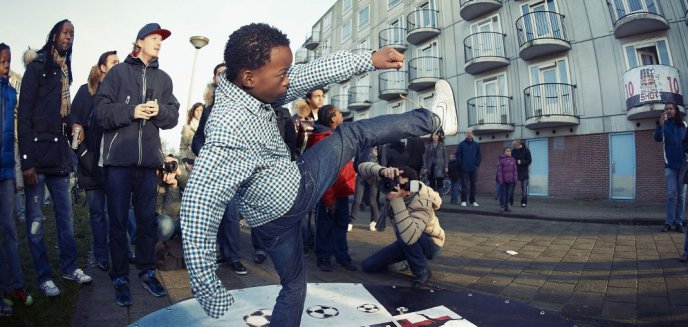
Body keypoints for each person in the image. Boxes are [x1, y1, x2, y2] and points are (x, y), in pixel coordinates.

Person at [180, 23, 456, 326]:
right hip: (294, 191)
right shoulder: (227, 127)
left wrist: (369, 59)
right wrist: (209, 289)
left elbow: (308, 74)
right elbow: (198, 207)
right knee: (351, 133)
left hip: (268, 224)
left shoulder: (252, 88)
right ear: (249, 78)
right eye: (281, 76)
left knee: (294, 285)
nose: (288, 83)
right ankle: (435, 119)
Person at [95, 23, 180, 306]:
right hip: (118, 163)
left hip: (147, 165)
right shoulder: (118, 73)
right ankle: (119, 276)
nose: (159, 43)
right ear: (140, 41)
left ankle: (146, 271)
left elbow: (173, 116)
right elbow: (100, 113)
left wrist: (161, 111)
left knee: (146, 222)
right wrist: (131, 111)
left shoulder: (165, 79)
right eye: (155, 38)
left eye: (161, 40)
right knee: (118, 222)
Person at [18, 19, 93, 298]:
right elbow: (24, 116)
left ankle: (69, 267)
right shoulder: (36, 68)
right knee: (36, 222)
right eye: (65, 32)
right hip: (37, 157)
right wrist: (26, 161)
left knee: (66, 219)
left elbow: (64, 112)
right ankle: (43, 276)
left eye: (73, 33)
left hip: (60, 156)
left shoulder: (64, 72)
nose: (69, 37)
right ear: (53, 35)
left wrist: (76, 124)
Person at [190, 62, 248, 276]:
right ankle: (220, 254)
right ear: (214, 79)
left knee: (232, 214)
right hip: (212, 169)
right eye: (219, 74)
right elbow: (197, 139)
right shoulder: (208, 110)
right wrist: (203, 153)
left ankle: (233, 257)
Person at [69, 50, 119, 272]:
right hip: (90, 164)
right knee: (98, 214)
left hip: (113, 165)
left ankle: (122, 251)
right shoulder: (85, 91)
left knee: (117, 213)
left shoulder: (119, 92)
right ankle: (101, 255)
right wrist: (80, 150)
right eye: (113, 62)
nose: (118, 65)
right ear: (102, 68)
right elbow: (74, 119)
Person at [360, 164, 444, 286]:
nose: (395, 187)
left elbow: (411, 236)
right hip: (405, 240)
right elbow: (361, 169)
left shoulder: (422, 200)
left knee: (403, 231)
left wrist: (396, 200)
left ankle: (422, 271)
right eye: (394, 183)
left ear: (411, 188)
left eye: (401, 185)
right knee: (369, 265)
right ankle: (407, 259)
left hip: (430, 242)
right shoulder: (392, 186)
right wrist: (383, 171)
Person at [1, 43, 33, 314]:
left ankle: (17, 285)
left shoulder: (12, 92)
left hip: (6, 171)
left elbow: (16, 130)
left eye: (8, 62)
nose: (5, 67)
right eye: (1, 62)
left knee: (11, 230)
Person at [307, 105, 357, 272]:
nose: (342, 116)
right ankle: (324, 257)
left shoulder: (334, 135)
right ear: (333, 118)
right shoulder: (323, 138)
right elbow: (323, 172)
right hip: (329, 192)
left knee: (340, 226)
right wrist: (328, 198)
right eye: (339, 114)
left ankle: (341, 256)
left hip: (341, 190)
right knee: (325, 226)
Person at [654, 102, 686, 233]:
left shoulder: (684, 125)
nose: (668, 111)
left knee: (682, 196)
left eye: (670, 108)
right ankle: (668, 222)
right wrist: (660, 124)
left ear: (676, 110)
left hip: (684, 165)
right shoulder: (664, 125)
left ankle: (678, 222)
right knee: (671, 195)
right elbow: (657, 138)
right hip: (670, 166)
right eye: (666, 109)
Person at [350, 146, 380, 232]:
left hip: (374, 174)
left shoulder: (379, 144)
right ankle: (350, 222)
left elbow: (383, 160)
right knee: (357, 200)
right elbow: (356, 160)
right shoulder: (361, 145)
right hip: (361, 174)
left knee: (372, 201)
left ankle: (373, 222)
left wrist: (380, 173)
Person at [455, 128, 481, 207]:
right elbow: (458, 155)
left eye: (470, 133)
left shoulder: (476, 145)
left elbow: (479, 156)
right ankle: (463, 200)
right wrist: (461, 165)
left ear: (472, 134)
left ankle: (472, 201)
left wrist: (476, 165)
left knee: (473, 185)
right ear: (465, 134)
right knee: (464, 185)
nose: (469, 134)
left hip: (473, 168)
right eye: (468, 133)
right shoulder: (461, 144)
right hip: (464, 169)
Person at [510, 139, 531, 208]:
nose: (513, 146)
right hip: (515, 172)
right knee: (511, 188)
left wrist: (521, 162)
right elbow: (511, 159)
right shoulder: (513, 151)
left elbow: (529, 160)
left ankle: (523, 202)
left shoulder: (526, 150)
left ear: (518, 144)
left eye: (514, 145)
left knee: (524, 189)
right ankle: (510, 202)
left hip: (524, 172)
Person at [497, 146, 518, 212]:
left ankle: (506, 206)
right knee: (504, 193)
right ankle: (502, 206)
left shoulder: (513, 160)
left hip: (511, 181)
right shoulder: (501, 161)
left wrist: (515, 179)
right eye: (507, 151)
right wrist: (500, 180)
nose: (508, 152)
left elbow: (515, 170)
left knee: (509, 193)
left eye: (509, 151)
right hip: (503, 181)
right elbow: (499, 171)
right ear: (504, 152)